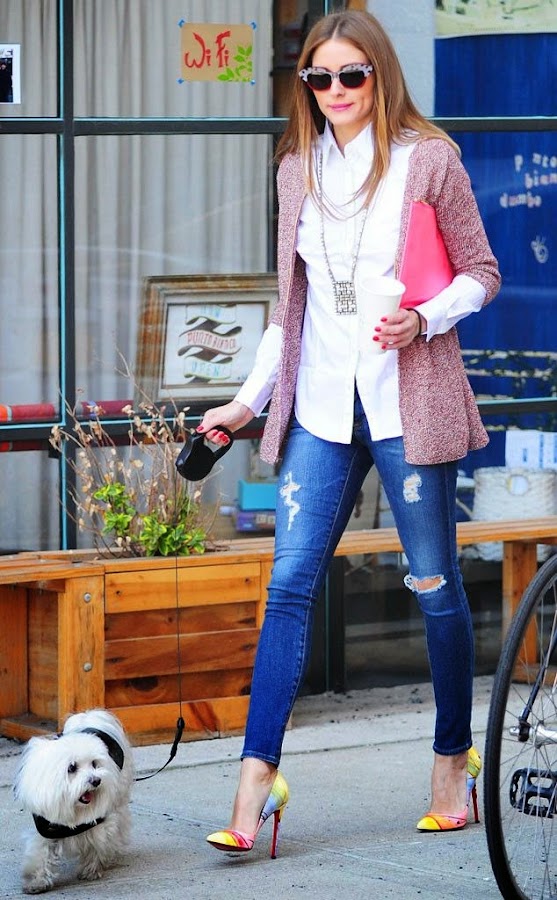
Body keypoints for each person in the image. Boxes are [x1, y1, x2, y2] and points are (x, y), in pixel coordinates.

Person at [199, 9, 501, 854]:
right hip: (322, 410)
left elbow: (482, 271)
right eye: (319, 77)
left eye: (351, 75)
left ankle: (451, 762)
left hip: (407, 406)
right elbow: (290, 311)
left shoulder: (427, 159)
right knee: (288, 585)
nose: (335, 90)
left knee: (434, 585)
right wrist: (244, 402)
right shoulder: (296, 169)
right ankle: (256, 782)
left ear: (378, 76)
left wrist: (425, 318)